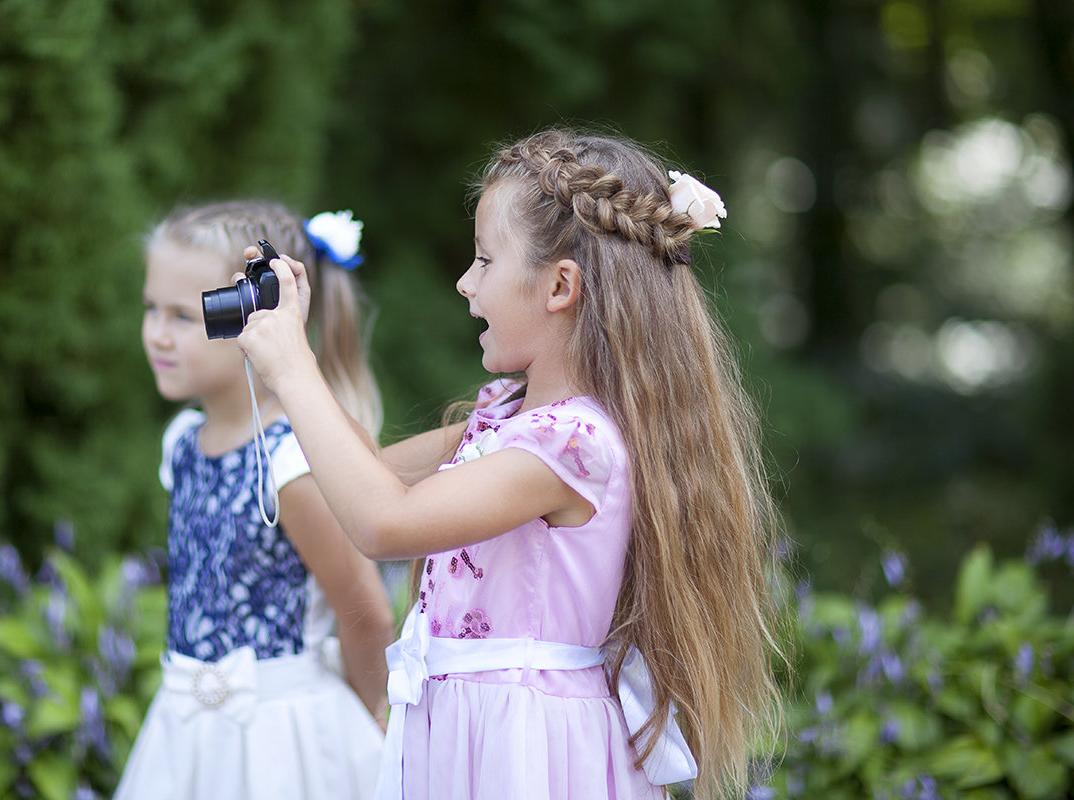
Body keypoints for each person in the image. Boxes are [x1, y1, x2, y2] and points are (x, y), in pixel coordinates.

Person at [236, 130, 783, 800]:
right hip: (469, 736)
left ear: (560, 285)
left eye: (485, 260)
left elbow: (382, 521)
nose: (466, 283)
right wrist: (300, 350)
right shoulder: (505, 419)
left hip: (526, 752)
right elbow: (362, 472)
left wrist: (292, 370)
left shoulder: (572, 447)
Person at [116, 200, 395, 800]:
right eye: (150, 309)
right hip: (186, 734)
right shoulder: (182, 445)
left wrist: (372, 716)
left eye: (183, 317)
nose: (156, 334)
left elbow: (364, 608)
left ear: (255, 314)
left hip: (283, 740)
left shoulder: (291, 464)